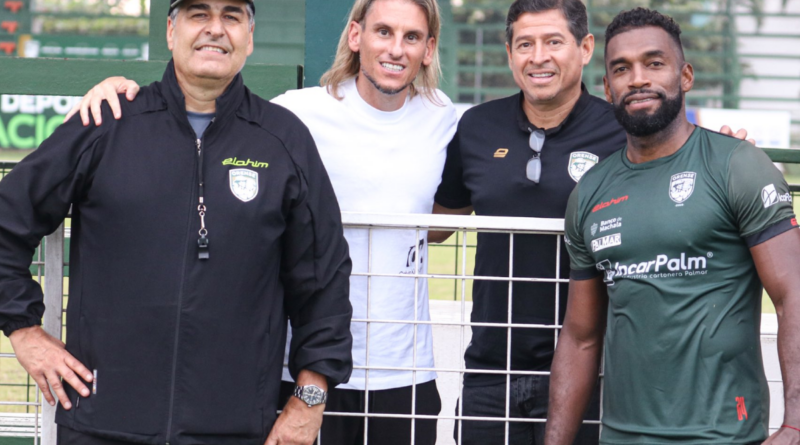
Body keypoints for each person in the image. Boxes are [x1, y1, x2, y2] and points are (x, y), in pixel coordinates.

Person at [64, 0, 457, 443]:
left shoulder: (449, 122)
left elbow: (450, 213)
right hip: (292, 373)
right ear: (354, 36)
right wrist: (121, 91)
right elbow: (204, 114)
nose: (396, 48)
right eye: (383, 31)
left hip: (401, 372)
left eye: (412, 37)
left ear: (429, 48)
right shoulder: (294, 117)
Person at [0, 1, 354, 444]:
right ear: (171, 31)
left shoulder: (283, 140)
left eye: (231, 16)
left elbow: (324, 284)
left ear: (249, 35)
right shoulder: (107, 123)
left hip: (236, 431)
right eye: (198, 14)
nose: (215, 29)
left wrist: (309, 402)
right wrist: (24, 329)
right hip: (101, 425)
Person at [430, 1, 753, 443]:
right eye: (525, 44)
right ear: (509, 54)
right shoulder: (477, 128)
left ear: (584, 48)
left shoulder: (627, 128)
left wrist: (731, 151)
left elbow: (688, 160)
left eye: (553, 42)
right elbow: (436, 224)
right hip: (491, 368)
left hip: (595, 371)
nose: (538, 56)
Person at [546, 7, 800, 445]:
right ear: (607, 88)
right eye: (622, 69)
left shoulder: (737, 166)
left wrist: (796, 424)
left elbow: (793, 296)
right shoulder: (590, 192)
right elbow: (580, 338)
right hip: (621, 437)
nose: (638, 79)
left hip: (724, 435)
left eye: (654, 63)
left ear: (685, 76)